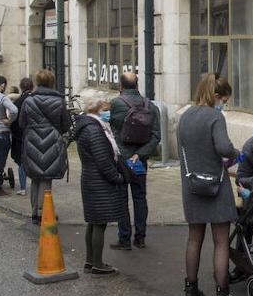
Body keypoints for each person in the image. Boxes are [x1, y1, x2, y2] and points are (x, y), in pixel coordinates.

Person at [177, 73, 239, 296]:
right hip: (216, 186)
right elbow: (223, 147)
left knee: (194, 238)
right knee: (221, 241)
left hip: (191, 186)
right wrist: (235, 153)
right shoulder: (215, 117)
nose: (224, 103)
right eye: (224, 98)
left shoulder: (185, 117)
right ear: (215, 96)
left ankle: (191, 289)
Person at [71, 90, 129, 275]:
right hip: (99, 182)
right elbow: (103, 160)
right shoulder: (94, 129)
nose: (108, 109)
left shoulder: (88, 126)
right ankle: (97, 263)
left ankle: (90, 261)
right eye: (105, 106)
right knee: (99, 223)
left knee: (94, 222)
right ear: (97, 107)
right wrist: (118, 178)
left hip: (91, 179)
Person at [108, 72, 162, 251]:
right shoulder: (150, 105)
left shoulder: (116, 103)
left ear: (121, 86)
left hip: (122, 159)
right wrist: (140, 154)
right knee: (140, 197)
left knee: (122, 198)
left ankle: (124, 239)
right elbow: (156, 136)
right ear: (138, 85)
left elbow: (114, 129)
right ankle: (140, 238)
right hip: (139, 161)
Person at [18, 69, 71, 224]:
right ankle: (44, 212)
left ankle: (35, 212)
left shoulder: (28, 101)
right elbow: (65, 124)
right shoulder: (59, 101)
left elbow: (22, 123)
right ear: (52, 82)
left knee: (35, 176)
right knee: (46, 177)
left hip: (32, 140)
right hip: (52, 140)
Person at [10, 77, 34, 196]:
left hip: (21, 136)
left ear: (21, 87)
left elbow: (14, 121)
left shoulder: (18, 102)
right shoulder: (36, 100)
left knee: (21, 162)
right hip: (36, 136)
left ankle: (23, 188)